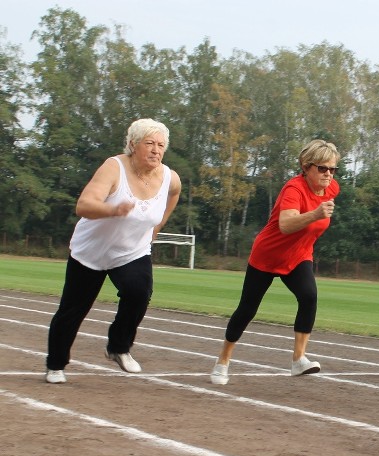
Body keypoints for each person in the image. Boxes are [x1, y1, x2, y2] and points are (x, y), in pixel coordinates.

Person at [45, 118, 182, 384]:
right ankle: (56, 364)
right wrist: (112, 210)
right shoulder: (114, 167)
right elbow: (84, 205)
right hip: (91, 252)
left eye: (161, 145)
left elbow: (174, 193)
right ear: (133, 144)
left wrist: (158, 224)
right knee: (73, 310)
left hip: (131, 251)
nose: (156, 150)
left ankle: (118, 347)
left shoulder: (169, 177)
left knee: (139, 292)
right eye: (150, 143)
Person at [210, 139, 340, 385]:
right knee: (247, 309)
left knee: (309, 296)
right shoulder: (294, 189)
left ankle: (298, 359)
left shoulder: (332, 189)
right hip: (268, 255)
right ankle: (223, 361)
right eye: (322, 168)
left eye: (333, 169)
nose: (328, 174)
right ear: (306, 166)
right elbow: (286, 224)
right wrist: (315, 214)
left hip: (299, 255)